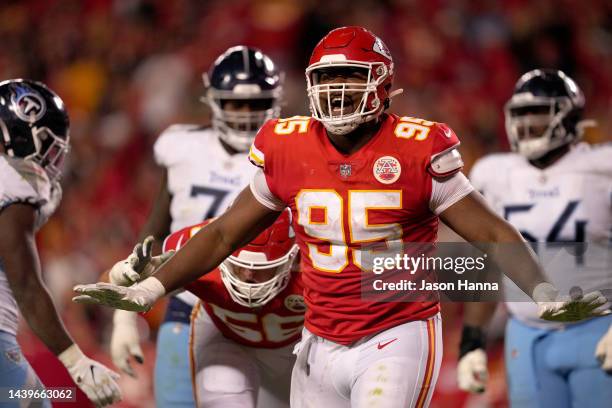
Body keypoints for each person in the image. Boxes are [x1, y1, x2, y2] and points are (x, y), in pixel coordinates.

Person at [74, 28, 602, 408]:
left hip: (395, 328)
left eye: (351, 76)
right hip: (320, 338)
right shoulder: (287, 145)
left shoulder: (419, 146)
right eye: (328, 78)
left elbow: (489, 231)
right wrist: (146, 293)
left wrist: (542, 290)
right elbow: (223, 234)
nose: (338, 89)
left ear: (382, 82)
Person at [107, 45, 283, 407]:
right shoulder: (183, 147)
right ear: (215, 101)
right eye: (236, 104)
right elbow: (151, 239)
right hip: (191, 304)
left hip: (268, 314)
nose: (247, 115)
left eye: (255, 103)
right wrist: (124, 317)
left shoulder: (288, 151)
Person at [457, 69, 612, 407]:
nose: (527, 124)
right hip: (526, 335)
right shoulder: (495, 173)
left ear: (567, 116)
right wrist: (472, 340)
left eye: (538, 113)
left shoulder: (603, 168)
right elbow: (488, 263)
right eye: (521, 114)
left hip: (599, 329)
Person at [0, 79, 121, 407]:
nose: (51, 161)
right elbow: (25, 284)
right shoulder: (12, 180)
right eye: (49, 146)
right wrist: (77, 363)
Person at [162, 210, 303, 407]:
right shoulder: (199, 249)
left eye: (261, 268)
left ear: (292, 257)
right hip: (225, 338)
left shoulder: (317, 261)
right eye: (240, 266)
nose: (248, 275)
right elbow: (124, 281)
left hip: (297, 347)